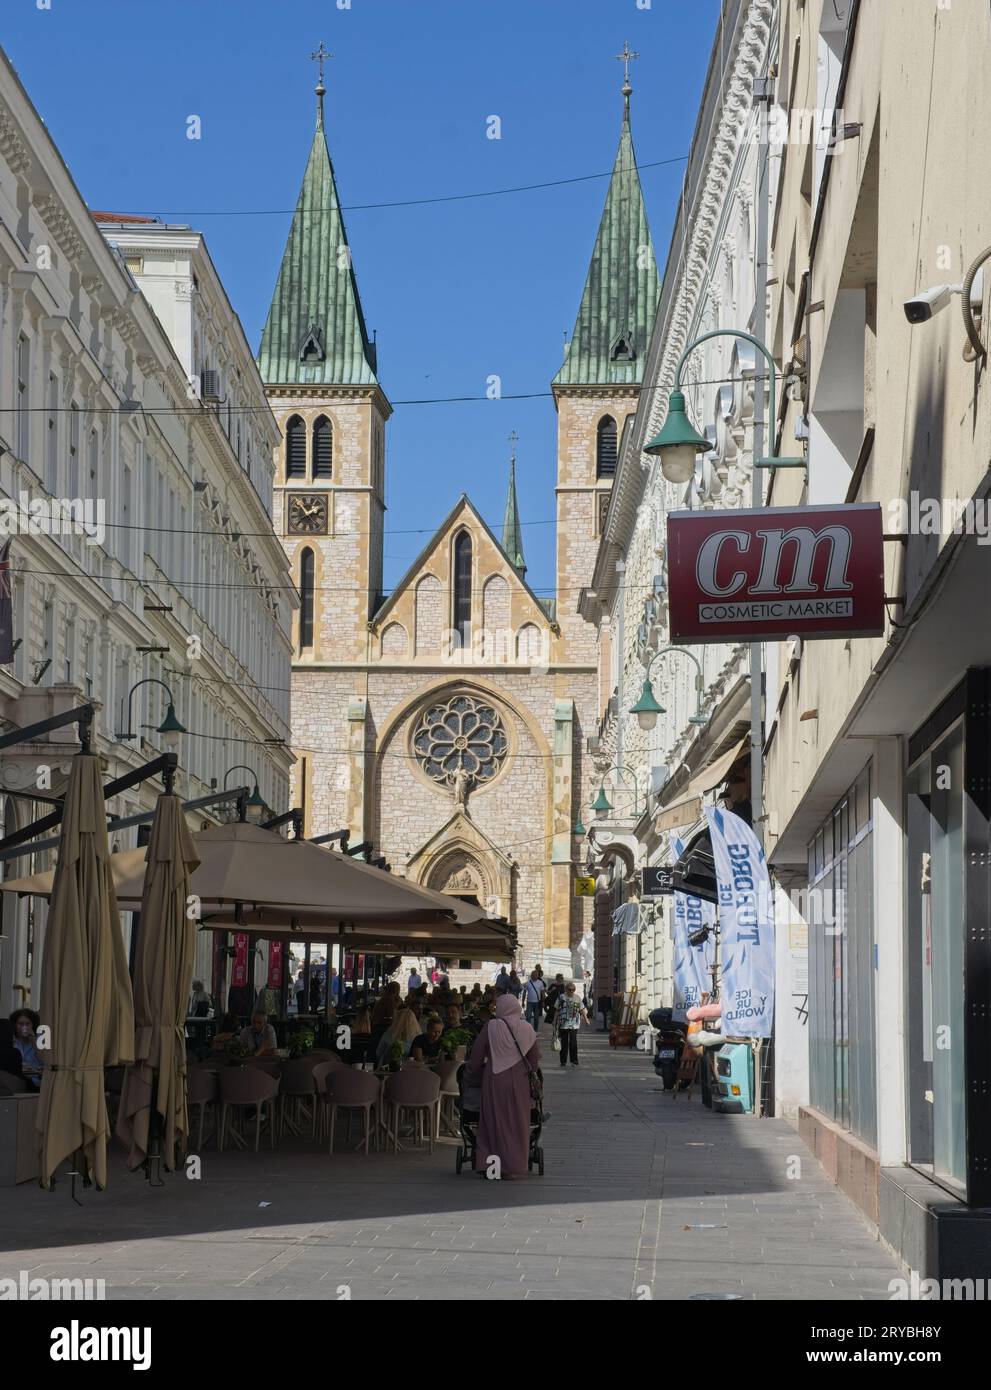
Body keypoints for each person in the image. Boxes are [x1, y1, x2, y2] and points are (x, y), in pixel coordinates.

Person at [464, 995, 540, 1179]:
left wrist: (470, 1073)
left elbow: (475, 1057)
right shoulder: (527, 1028)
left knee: (493, 1122)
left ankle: (492, 1169)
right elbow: (534, 1060)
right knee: (517, 1123)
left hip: (494, 1080)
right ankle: (512, 1167)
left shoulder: (491, 1026)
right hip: (520, 1082)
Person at [556, 982, 588, 1067]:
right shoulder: (561, 998)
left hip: (574, 1024)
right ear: (566, 989)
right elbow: (557, 1010)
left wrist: (586, 1019)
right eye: (570, 989)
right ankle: (563, 1061)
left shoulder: (577, 998)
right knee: (564, 1043)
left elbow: (582, 1010)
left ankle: (574, 1061)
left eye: (573, 990)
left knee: (573, 1043)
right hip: (563, 1024)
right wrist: (554, 1020)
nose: (571, 991)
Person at [10, 1009, 42, 1089]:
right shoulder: (12, 1040)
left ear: (32, 1025)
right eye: (20, 1024)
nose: (24, 1027)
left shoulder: (39, 1040)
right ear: (15, 1025)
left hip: (36, 1082)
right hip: (17, 1081)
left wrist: (33, 1040)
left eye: (27, 1024)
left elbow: (44, 1059)